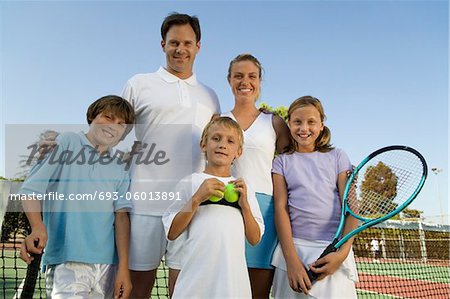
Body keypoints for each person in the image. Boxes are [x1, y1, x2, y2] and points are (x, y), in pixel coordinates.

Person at [120, 12, 220, 298]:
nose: (180, 49)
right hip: (143, 204)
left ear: (198, 46)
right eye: (174, 42)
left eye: (188, 43)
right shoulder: (138, 84)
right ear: (162, 44)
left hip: (191, 207)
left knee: (183, 289)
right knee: (137, 288)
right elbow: (114, 136)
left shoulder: (210, 95)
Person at [19, 95, 135, 299]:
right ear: (92, 116)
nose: (113, 126)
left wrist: (123, 269)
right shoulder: (67, 141)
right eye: (108, 117)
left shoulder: (120, 167)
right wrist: (37, 227)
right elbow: (31, 190)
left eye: (121, 124)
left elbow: (121, 217)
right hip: (67, 261)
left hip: (109, 267)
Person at [162, 116, 264, 298]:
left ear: (238, 152)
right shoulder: (190, 182)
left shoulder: (243, 187)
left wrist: (245, 206)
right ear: (203, 145)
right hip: (196, 278)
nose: (222, 145)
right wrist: (197, 198)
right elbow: (172, 232)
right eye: (216, 138)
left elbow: (255, 238)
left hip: (232, 281)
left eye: (230, 141)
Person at [271, 96, 359, 298]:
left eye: (311, 122)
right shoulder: (281, 163)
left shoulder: (338, 156)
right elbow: (280, 209)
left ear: (321, 125)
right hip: (295, 250)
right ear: (289, 124)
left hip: (333, 249)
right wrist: (291, 260)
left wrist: (341, 254)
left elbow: (352, 208)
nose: (304, 128)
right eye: (297, 122)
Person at [222, 53, 290, 298]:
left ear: (260, 81)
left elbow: (292, 167)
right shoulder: (218, 121)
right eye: (238, 76)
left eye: (252, 76)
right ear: (229, 80)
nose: (245, 81)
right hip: (226, 208)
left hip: (265, 210)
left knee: (257, 290)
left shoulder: (275, 122)